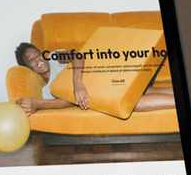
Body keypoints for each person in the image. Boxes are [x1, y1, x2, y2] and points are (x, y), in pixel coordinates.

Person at [15, 38, 175, 116]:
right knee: (137, 101)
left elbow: (77, 55)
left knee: (142, 90)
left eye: (38, 54)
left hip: (106, 74)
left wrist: (77, 83)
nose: (38, 59)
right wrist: (39, 103)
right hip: (102, 92)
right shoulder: (47, 91)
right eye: (31, 60)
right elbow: (68, 101)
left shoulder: (55, 57)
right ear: (28, 68)